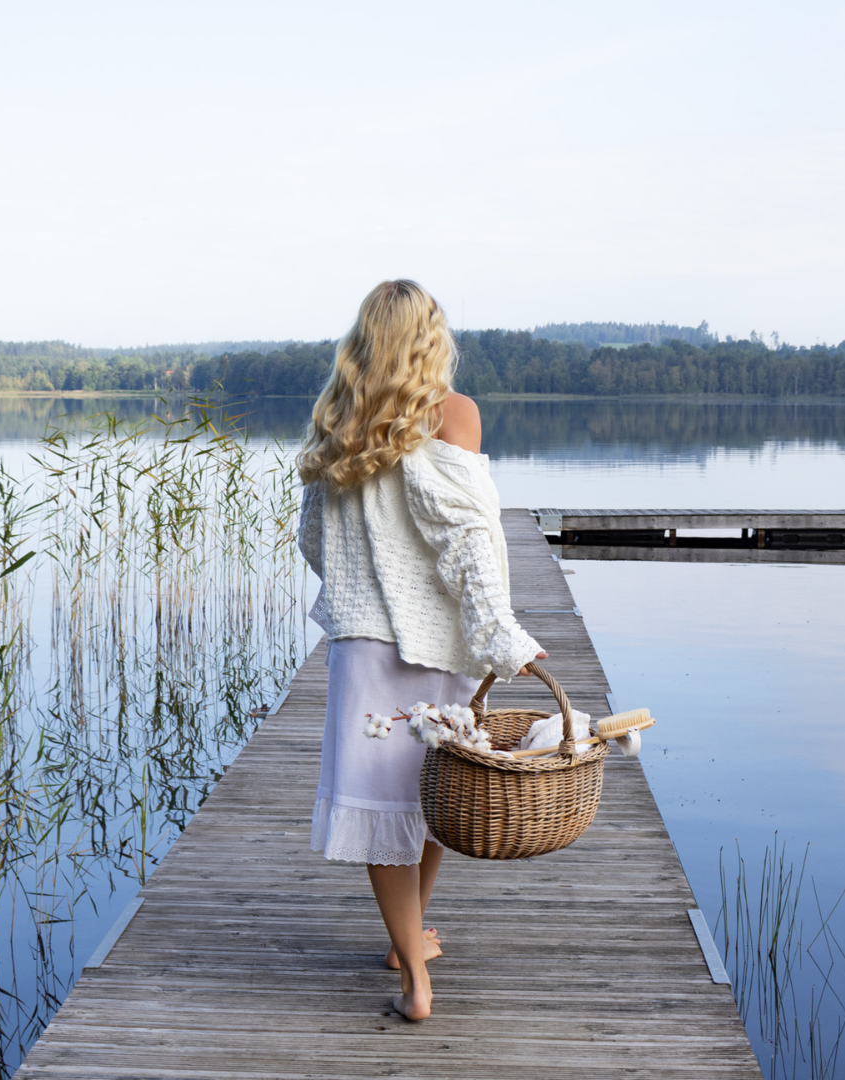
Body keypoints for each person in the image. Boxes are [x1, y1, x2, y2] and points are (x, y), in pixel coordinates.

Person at [297, 280, 546, 1021]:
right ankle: (416, 977)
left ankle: (409, 960)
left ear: (365, 337)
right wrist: (501, 635)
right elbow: (468, 540)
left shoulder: (335, 426)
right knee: (435, 790)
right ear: (431, 339)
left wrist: (362, 590)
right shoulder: (453, 414)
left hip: (363, 643)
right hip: (439, 638)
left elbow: (314, 540)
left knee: (385, 803)